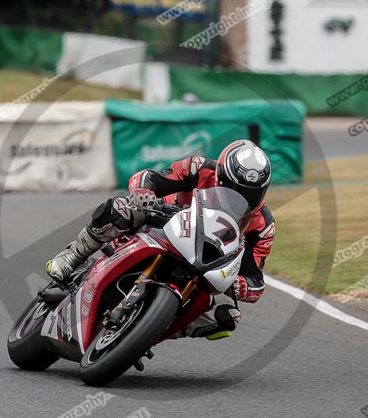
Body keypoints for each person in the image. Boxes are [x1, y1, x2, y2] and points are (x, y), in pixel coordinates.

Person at [46, 139, 275, 340]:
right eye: (236, 188)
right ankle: (74, 255)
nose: (242, 196)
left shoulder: (263, 225)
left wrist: (243, 286)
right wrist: (143, 192)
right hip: (165, 222)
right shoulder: (199, 168)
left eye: (252, 193)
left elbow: (255, 278)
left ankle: (149, 332)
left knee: (228, 317)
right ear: (221, 175)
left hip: (206, 260)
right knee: (122, 208)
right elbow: (148, 177)